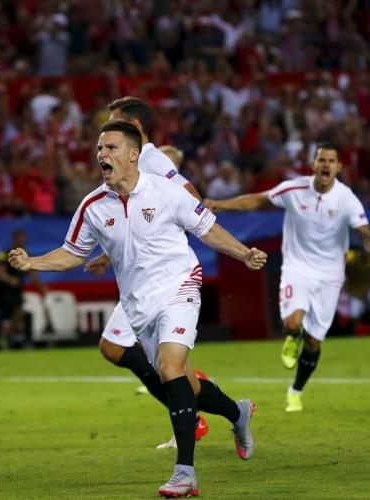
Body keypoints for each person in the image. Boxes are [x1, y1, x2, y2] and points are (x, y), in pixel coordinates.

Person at [8, 120, 267, 497]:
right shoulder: (92, 206)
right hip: (138, 306)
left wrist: (244, 254)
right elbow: (72, 254)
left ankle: (185, 474)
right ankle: (237, 412)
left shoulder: (166, 191)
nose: (102, 154)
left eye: (110, 147)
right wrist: (32, 262)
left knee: (170, 368)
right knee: (186, 382)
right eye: (99, 148)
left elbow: (207, 228)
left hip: (180, 285)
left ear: (133, 154)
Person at [83, 97, 225, 449]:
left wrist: (170, 242)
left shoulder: (150, 157)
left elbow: (190, 197)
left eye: (114, 123)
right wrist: (110, 254)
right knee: (122, 350)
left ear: (134, 126)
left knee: (120, 349)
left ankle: (192, 415)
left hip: (161, 275)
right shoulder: (129, 163)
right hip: (139, 276)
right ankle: (196, 407)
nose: (107, 133)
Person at [205, 141, 370, 412]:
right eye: (321, 160)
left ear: (339, 167)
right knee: (292, 323)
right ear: (312, 164)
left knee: (313, 342)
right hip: (297, 268)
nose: (326, 165)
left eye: (331, 161)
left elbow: (362, 228)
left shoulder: (346, 197)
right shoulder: (294, 189)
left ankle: (296, 390)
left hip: (330, 276)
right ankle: (292, 336)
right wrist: (219, 204)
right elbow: (258, 199)